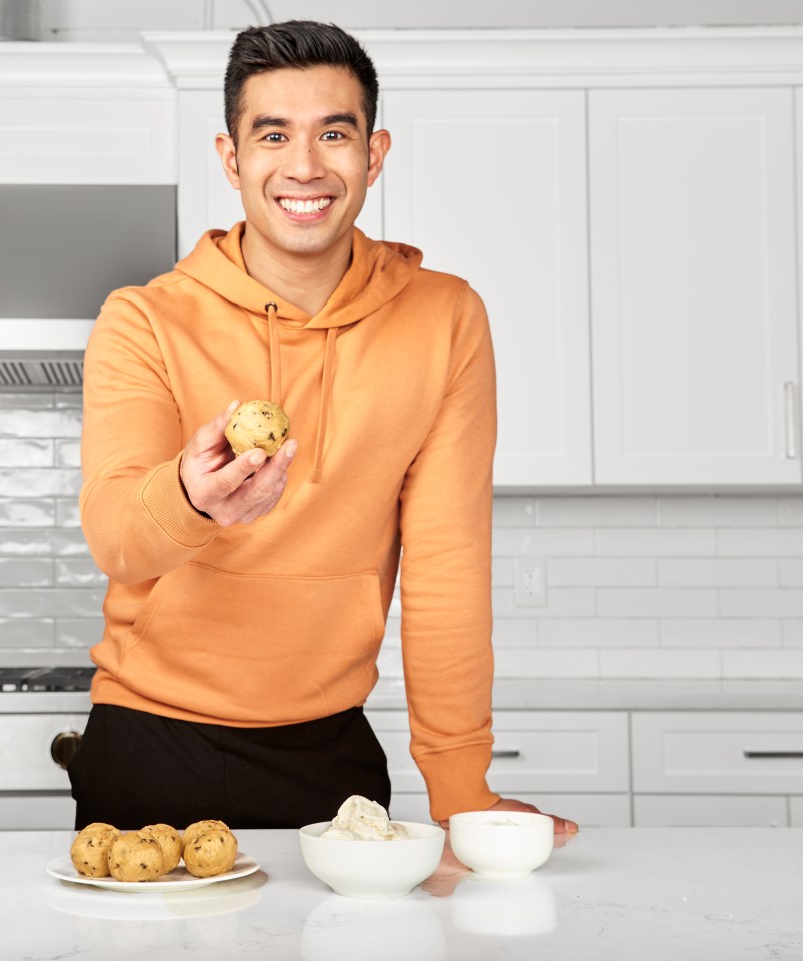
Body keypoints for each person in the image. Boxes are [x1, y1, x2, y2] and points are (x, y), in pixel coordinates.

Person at [72, 19, 577, 838]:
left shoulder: (444, 319)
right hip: (150, 741)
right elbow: (117, 538)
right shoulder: (144, 321)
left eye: (333, 133)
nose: (304, 166)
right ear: (232, 159)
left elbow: (447, 567)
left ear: (373, 154)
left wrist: (461, 790)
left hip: (330, 751)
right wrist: (191, 501)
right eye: (273, 134)